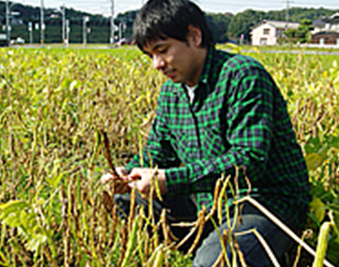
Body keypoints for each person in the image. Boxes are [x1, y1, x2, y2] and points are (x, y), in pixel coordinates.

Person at [101, 0, 311, 266]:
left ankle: (237, 250)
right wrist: (127, 173)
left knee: (214, 262)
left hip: (263, 203)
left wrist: (168, 180)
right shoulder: (171, 93)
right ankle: (213, 245)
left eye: (162, 50)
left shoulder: (242, 77)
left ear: (194, 36)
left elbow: (248, 162)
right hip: (207, 201)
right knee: (126, 197)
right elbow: (157, 153)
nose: (157, 64)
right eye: (150, 55)